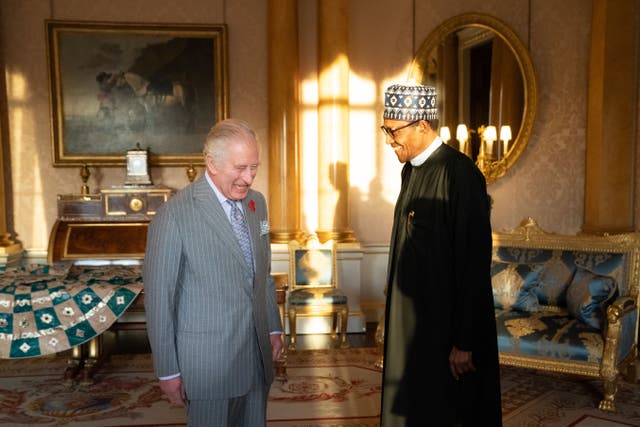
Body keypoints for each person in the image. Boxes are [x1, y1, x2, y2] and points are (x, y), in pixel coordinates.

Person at [143, 118, 284, 426]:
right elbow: (158, 300)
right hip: (209, 366)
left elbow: (264, 273)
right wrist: (167, 370)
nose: (249, 178)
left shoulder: (257, 204)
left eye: (254, 167)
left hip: (257, 355)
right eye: (241, 167)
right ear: (212, 163)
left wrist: (272, 327)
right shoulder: (174, 214)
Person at [379, 84, 502, 426]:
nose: (389, 139)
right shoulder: (411, 170)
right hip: (413, 327)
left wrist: (464, 340)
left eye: (393, 131)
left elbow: (473, 262)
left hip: (446, 332)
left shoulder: (460, 175)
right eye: (385, 130)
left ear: (423, 125)